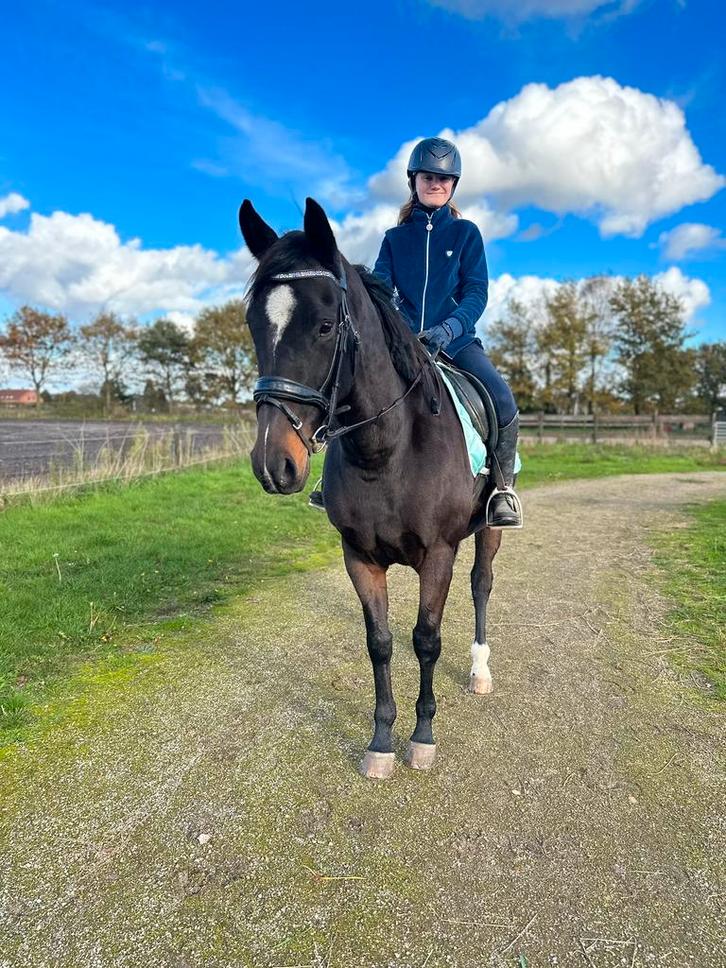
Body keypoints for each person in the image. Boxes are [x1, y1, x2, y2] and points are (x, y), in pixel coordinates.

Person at [311, 136, 522, 529]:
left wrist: (449, 328)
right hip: (402, 344)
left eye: (444, 179)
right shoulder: (394, 239)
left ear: (453, 185)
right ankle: (332, 479)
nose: (436, 184)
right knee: (351, 389)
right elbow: (380, 289)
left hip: (456, 342)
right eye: (429, 177)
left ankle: (501, 489)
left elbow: (477, 292)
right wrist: (396, 329)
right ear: (414, 181)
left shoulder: (466, 234)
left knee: (504, 400)